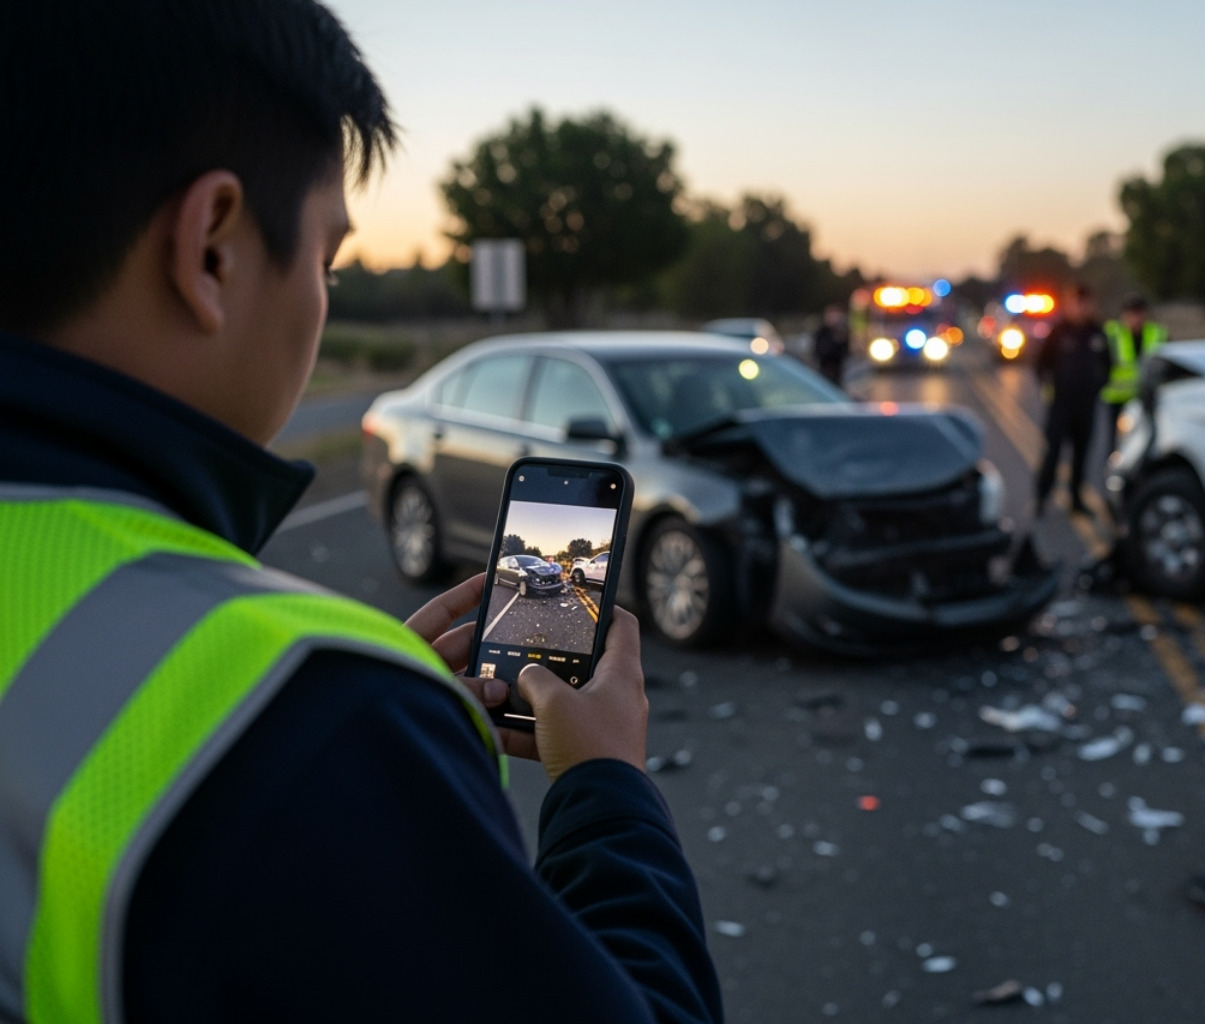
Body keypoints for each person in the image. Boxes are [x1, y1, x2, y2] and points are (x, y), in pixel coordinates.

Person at [0, 4, 721, 1023]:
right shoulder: (307, 719)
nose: (323, 298)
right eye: (327, 264)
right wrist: (604, 787)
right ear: (211, 248)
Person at [1032, 283, 1111, 516]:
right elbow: (1041, 365)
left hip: (1085, 406)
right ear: (1069, 305)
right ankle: (1041, 498)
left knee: (1081, 455)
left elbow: (1108, 366)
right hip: (1060, 406)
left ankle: (1076, 499)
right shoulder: (1058, 333)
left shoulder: (1097, 333)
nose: (1081, 308)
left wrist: (1097, 387)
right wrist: (1049, 389)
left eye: (1085, 304)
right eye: (1076, 303)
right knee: (1053, 454)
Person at [1100, 293, 1168, 436]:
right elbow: (1100, 363)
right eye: (1131, 314)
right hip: (1118, 398)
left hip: (1147, 396)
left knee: (1147, 437)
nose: (1135, 319)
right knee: (1118, 439)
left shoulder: (1157, 333)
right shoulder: (1112, 333)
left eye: (1138, 314)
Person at [812, 304, 851, 385]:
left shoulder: (841, 332)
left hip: (838, 370)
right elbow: (820, 351)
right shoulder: (822, 332)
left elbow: (845, 352)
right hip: (825, 369)